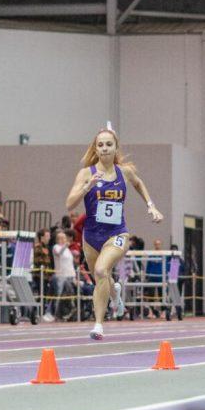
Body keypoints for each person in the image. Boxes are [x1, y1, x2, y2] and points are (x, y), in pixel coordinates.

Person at [65, 127, 163, 340]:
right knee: (101, 277)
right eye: (100, 145)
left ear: (116, 147)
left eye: (109, 144)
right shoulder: (86, 173)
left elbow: (138, 183)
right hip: (91, 236)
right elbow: (69, 205)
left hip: (117, 233)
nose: (104, 148)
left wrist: (151, 206)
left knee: (101, 270)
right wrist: (86, 188)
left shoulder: (124, 172)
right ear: (95, 148)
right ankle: (115, 293)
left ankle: (99, 324)